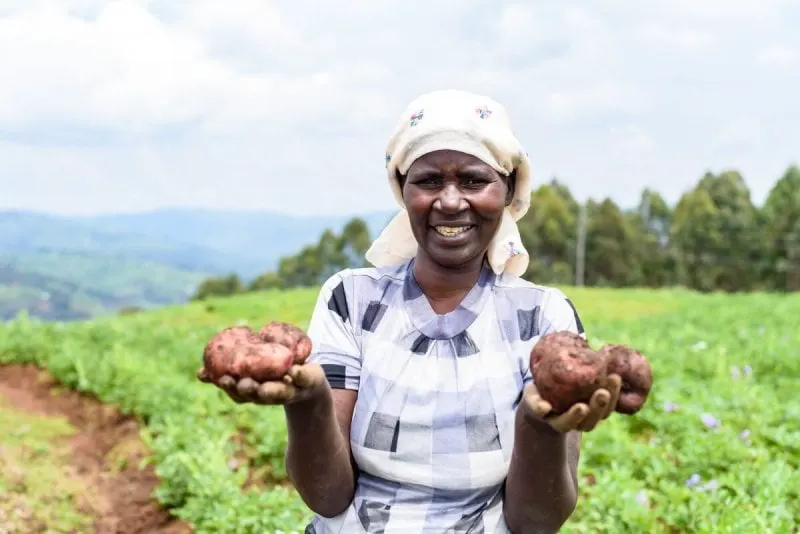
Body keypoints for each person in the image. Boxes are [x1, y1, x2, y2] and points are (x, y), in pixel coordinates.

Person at [210, 90, 623, 534]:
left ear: (507, 191)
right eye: (428, 181)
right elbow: (327, 495)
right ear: (403, 191)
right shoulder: (352, 299)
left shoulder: (543, 318)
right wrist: (306, 399)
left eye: (472, 181)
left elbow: (535, 522)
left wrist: (539, 426)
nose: (449, 201)